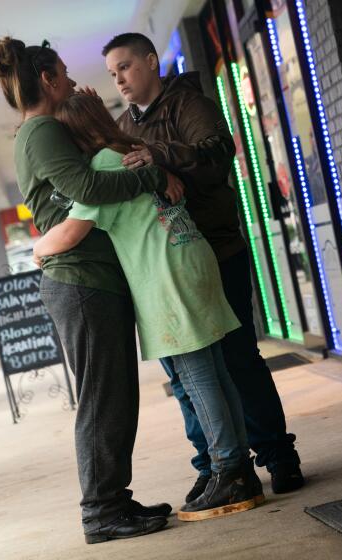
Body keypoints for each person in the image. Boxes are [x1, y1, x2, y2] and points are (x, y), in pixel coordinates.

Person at [33, 92, 264, 523]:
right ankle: (238, 468)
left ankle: (228, 469)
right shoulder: (132, 150)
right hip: (193, 258)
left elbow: (70, 233)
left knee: (196, 377)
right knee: (215, 368)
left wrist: (39, 248)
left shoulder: (102, 166)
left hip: (165, 277)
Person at [0, 37, 183, 544]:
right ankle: (101, 511)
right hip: (79, 282)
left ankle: (114, 499)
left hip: (90, 279)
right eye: (66, 73)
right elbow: (90, 190)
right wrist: (151, 179)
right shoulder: (41, 131)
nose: (73, 81)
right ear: (48, 80)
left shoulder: (48, 130)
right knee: (103, 399)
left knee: (115, 397)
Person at [102, 32, 304, 501]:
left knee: (239, 359)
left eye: (126, 67)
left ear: (151, 62)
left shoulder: (189, 103)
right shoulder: (120, 127)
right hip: (167, 265)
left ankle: (278, 456)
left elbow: (219, 154)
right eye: (113, 74)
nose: (120, 80)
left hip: (218, 251)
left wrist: (161, 156)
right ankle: (213, 465)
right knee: (187, 372)